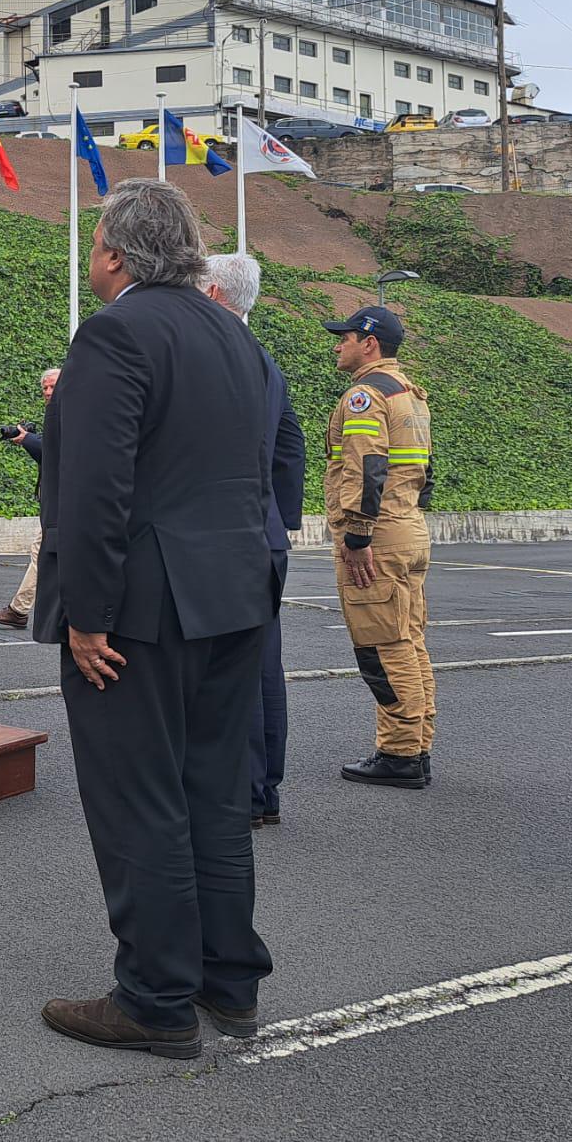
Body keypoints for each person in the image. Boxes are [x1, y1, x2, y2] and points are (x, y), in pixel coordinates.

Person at [35, 181, 278, 1058]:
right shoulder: (231, 334)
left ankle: (154, 999)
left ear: (113, 254)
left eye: (94, 241)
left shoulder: (116, 333)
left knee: (139, 800)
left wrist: (88, 615)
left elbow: (97, 488)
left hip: (141, 610)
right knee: (210, 794)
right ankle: (227, 980)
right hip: (234, 597)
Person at [200, 254, 305, 827]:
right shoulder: (266, 360)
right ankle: (263, 791)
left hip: (225, 534)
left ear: (213, 291)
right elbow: (289, 444)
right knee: (264, 664)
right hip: (263, 533)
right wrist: (280, 518)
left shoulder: (216, 356)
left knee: (224, 666)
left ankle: (237, 793)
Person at [322, 304, 436, 789]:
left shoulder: (365, 396)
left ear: (369, 343)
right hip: (408, 526)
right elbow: (424, 471)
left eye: (344, 337)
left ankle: (399, 754)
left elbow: (367, 467)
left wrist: (358, 534)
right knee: (409, 641)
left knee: (381, 648)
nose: (337, 345)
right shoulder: (412, 393)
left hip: (379, 536)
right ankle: (418, 744)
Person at [0, 367, 60, 630]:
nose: (48, 392)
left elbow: (58, 449)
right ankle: (20, 609)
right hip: (58, 504)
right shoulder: (57, 413)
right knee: (48, 553)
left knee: (46, 552)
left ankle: (19, 610)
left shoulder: (75, 413)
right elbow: (50, 455)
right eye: (45, 388)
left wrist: (28, 438)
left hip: (68, 504)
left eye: (53, 387)